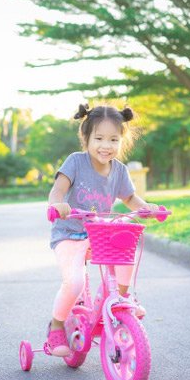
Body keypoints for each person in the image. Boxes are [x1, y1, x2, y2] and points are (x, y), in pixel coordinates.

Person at [45, 103, 159, 357]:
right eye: (99, 138)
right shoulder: (75, 162)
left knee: (125, 239)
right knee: (73, 283)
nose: (105, 145)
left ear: (122, 141)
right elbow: (58, 189)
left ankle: (122, 297)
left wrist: (146, 208)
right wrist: (57, 204)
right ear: (85, 137)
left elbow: (130, 199)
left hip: (98, 233)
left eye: (113, 139)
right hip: (69, 233)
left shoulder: (119, 170)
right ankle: (56, 327)